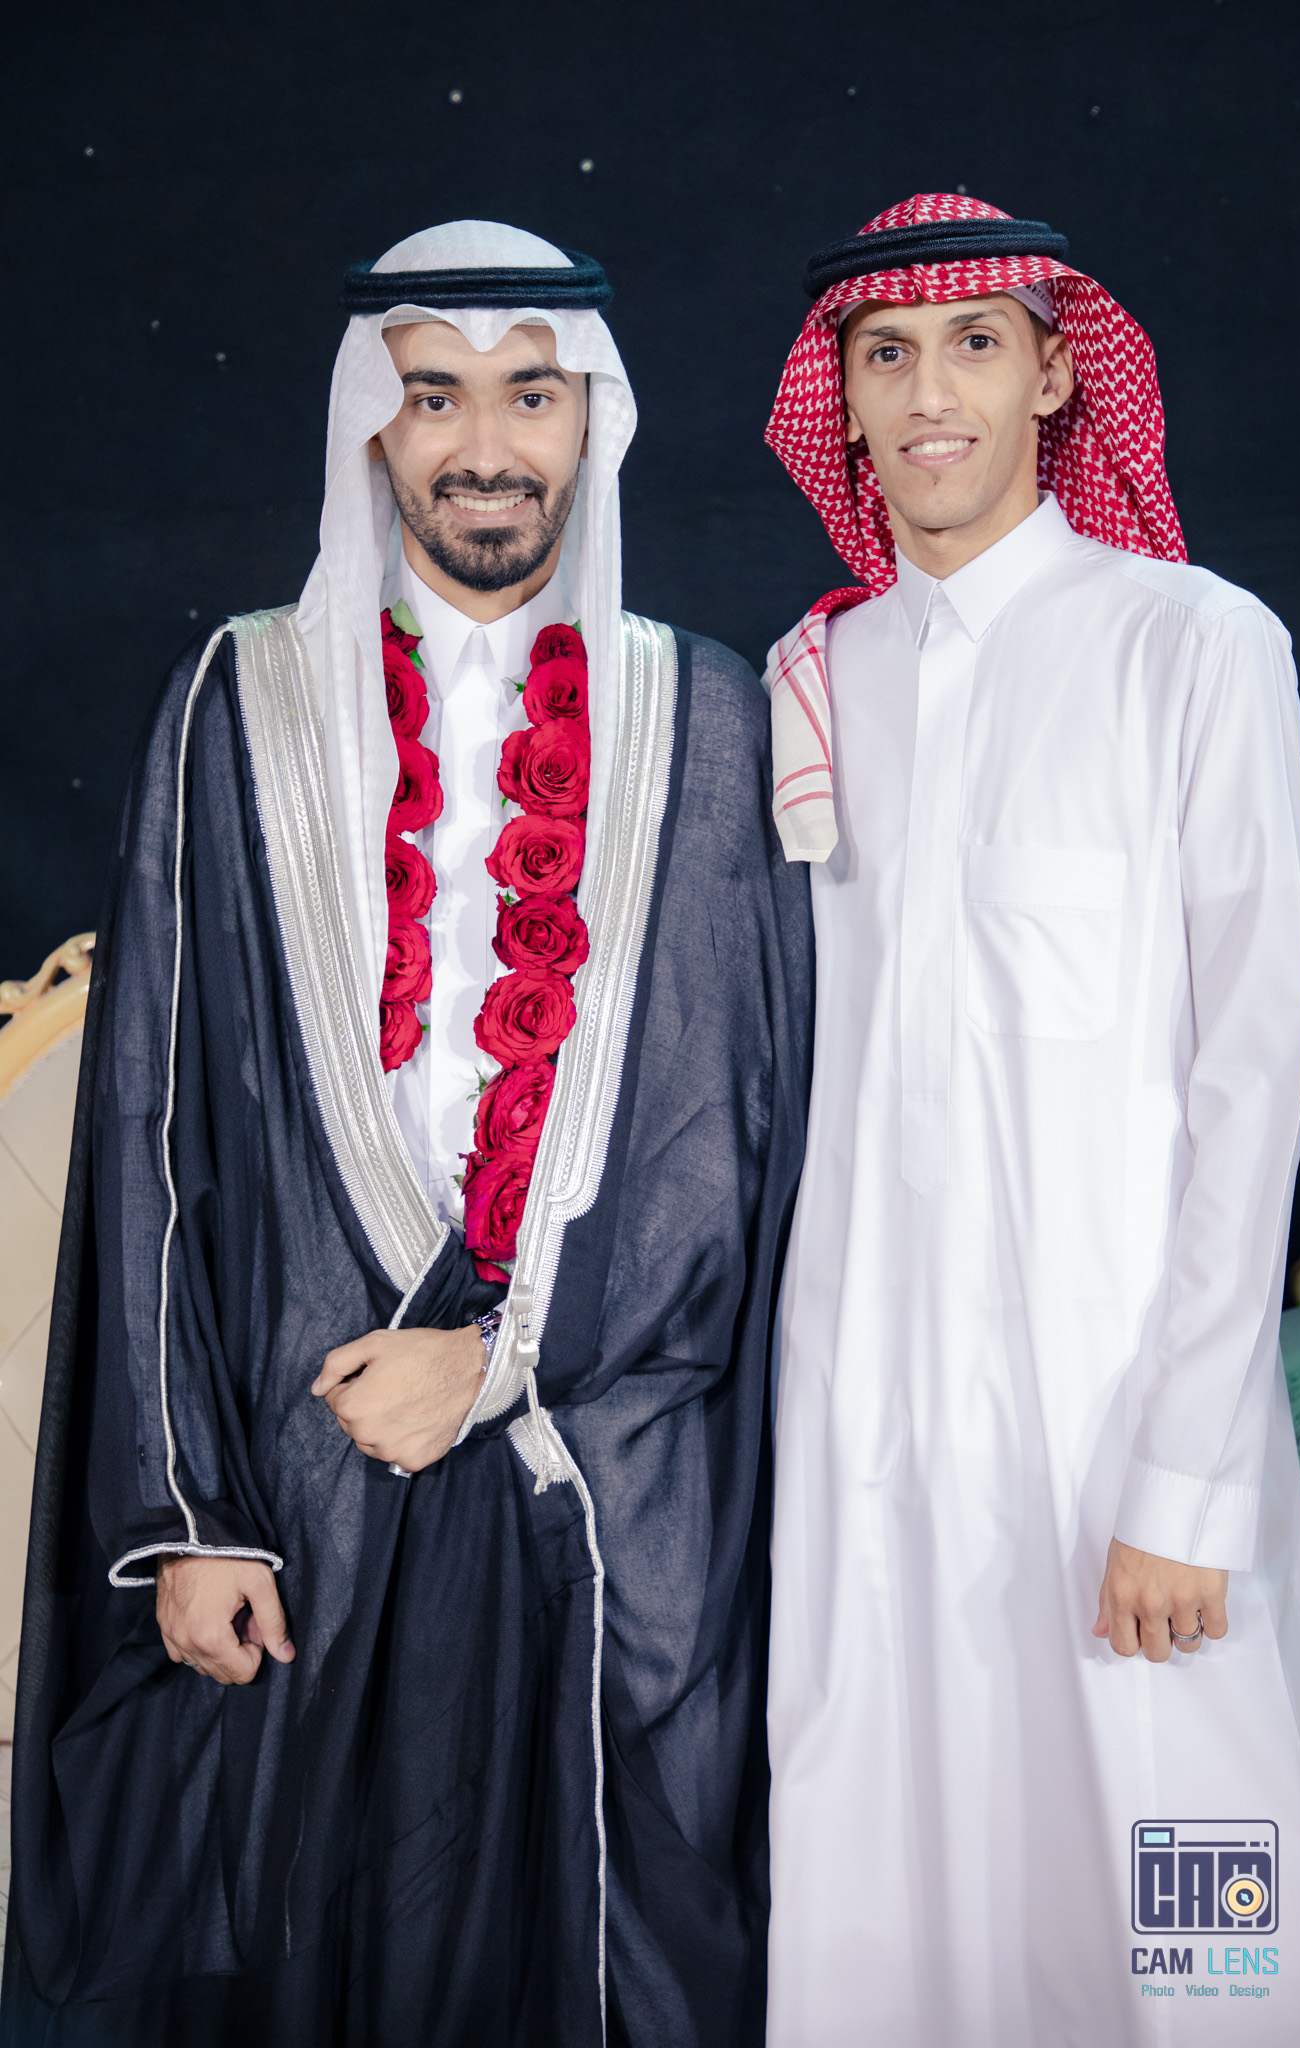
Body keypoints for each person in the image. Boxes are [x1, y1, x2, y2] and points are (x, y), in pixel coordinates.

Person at [1, 220, 811, 2048]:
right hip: (305, 1473)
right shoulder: (239, 702)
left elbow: (732, 1138)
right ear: (372, 424)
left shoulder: (708, 720)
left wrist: (508, 1356)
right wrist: (190, 1515)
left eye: (531, 396)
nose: (486, 447)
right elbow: (149, 1130)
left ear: (592, 423)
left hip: (606, 1469)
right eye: (434, 396)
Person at [761, 191, 1300, 2046]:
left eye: (972, 344)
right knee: (893, 1892)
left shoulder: (1190, 642)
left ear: (1050, 376)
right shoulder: (809, 679)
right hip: (868, 1424)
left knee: (1194, 1924)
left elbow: (1250, 1069)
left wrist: (1184, 1478)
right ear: (842, 402)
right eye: (884, 356)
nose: (927, 391)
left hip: (1125, 1424)